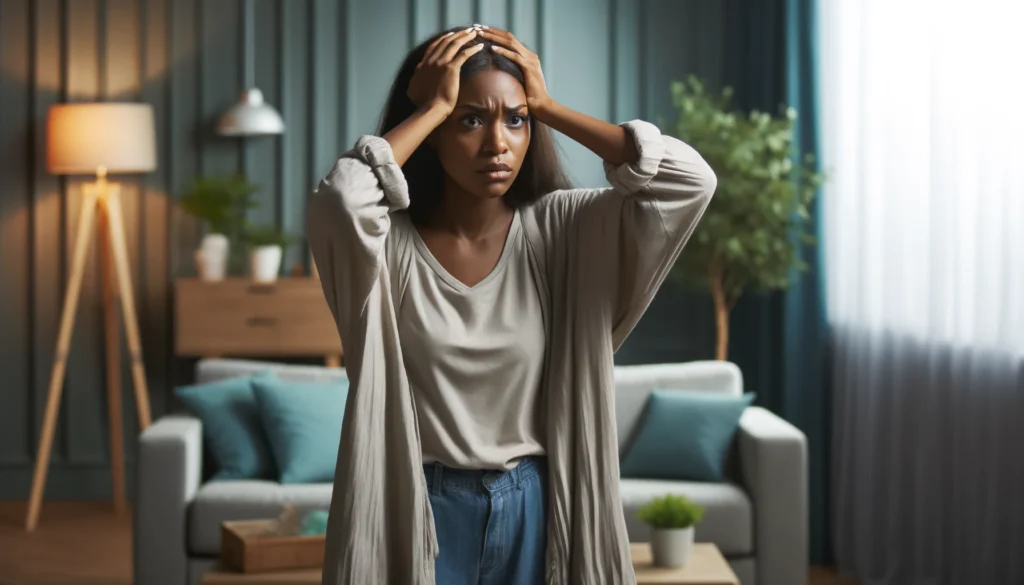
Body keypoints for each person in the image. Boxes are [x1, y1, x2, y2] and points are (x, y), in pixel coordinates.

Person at [307, 23, 717, 585]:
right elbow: (342, 200)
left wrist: (548, 104)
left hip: (536, 509)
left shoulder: (562, 231)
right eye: (469, 119)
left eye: (516, 119)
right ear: (434, 132)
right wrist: (430, 107)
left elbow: (689, 181)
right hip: (420, 508)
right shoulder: (387, 246)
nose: (497, 143)